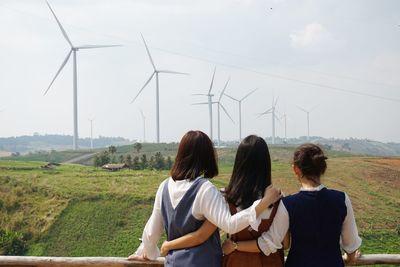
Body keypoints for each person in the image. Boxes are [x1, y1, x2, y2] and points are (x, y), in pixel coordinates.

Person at [128, 131, 281, 266]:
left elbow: (151, 233)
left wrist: (147, 254)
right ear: (207, 156)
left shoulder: (164, 187)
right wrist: (263, 203)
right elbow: (229, 224)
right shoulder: (205, 189)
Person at [225, 143, 361, 267]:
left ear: (296, 169)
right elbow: (351, 245)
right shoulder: (342, 199)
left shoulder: (288, 204)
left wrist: (235, 245)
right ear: (322, 168)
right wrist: (351, 258)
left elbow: (271, 242)